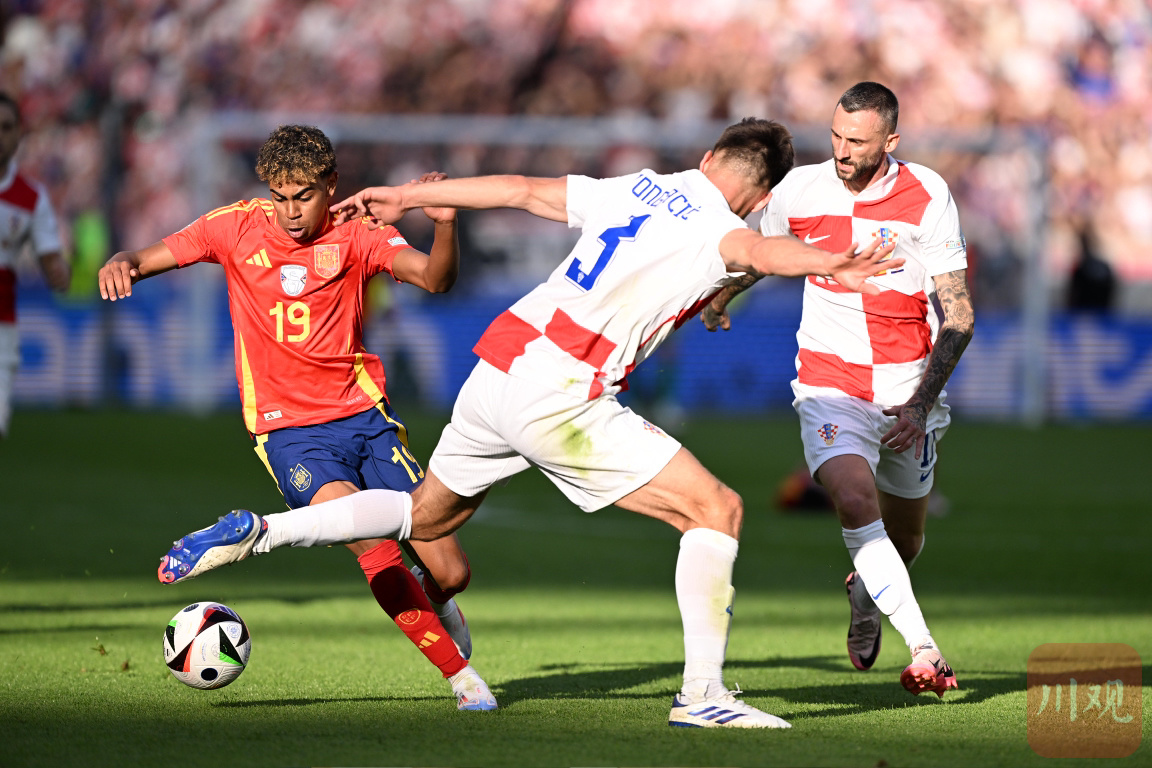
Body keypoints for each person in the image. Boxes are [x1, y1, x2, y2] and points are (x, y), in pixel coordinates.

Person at [151, 118, 902, 729]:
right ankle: (703, 694)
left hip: (499, 365)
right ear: (760, 192)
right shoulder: (722, 226)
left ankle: (261, 531)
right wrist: (832, 263)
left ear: (708, 157)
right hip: (564, 394)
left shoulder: (638, 185)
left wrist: (410, 193)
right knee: (717, 509)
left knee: (424, 517)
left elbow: (517, 190)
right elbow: (761, 251)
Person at [97, 124, 496, 711]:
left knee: (451, 571)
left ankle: (438, 602)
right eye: (279, 196)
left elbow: (437, 280)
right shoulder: (234, 226)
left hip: (365, 418)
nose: (289, 212)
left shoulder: (358, 232)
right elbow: (145, 257)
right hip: (289, 432)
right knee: (372, 543)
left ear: (331, 185)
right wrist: (120, 261)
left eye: (303, 196)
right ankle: (463, 680)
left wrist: (444, 224)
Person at [703, 82, 972, 698]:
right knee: (853, 500)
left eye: (857, 141)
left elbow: (958, 316)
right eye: (835, 136)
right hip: (830, 382)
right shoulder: (799, 189)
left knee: (904, 542)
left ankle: (866, 591)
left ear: (891, 140)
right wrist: (721, 294)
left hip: (907, 390)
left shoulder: (928, 194)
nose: (842, 151)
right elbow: (764, 254)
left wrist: (920, 405)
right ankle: (926, 650)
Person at [0, 91, 71, 438]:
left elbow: (51, 261)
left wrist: (60, 273)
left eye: (6, 127)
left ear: (18, 135)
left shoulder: (31, 198)